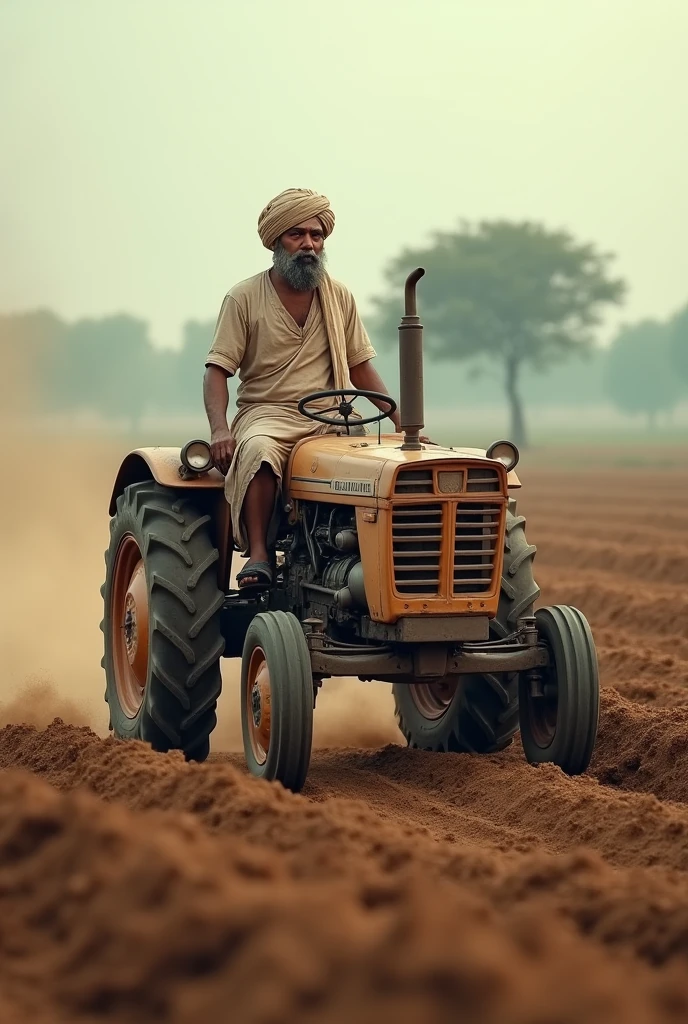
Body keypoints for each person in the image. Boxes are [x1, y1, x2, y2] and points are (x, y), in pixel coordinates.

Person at [203, 187, 401, 590]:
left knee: (384, 465)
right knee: (259, 449)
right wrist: (221, 430)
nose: (309, 244)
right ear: (276, 241)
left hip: (332, 417)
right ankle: (259, 553)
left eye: (316, 235)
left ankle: (367, 558)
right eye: (297, 235)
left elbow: (360, 368)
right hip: (268, 414)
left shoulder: (339, 297)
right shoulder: (243, 298)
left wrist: (405, 425)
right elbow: (217, 370)